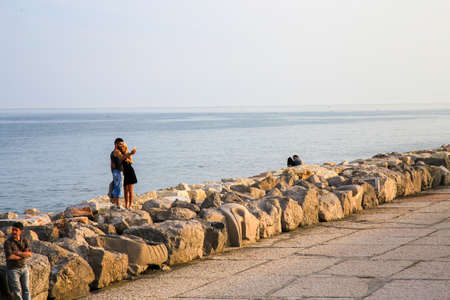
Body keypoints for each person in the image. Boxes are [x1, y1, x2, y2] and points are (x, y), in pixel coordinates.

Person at [3, 222, 32, 300]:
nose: (14, 232)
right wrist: (23, 255)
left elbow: (29, 254)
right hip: (13, 269)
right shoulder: (8, 242)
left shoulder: (24, 240)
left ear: (20, 231)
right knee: (17, 291)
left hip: (24, 267)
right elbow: (10, 257)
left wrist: (18, 253)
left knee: (26, 289)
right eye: (13, 230)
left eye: (16, 230)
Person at [110, 138, 136, 209]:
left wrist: (129, 158)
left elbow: (131, 161)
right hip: (119, 172)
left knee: (126, 189)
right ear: (116, 144)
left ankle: (128, 206)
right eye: (120, 144)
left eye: (123, 145)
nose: (121, 146)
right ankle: (118, 205)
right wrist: (131, 153)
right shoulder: (116, 152)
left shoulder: (124, 153)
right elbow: (121, 158)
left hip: (127, 172)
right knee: (120, 189)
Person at [120, 142, 138, 209]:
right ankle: (126, 205)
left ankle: (130, 205)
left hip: (130, 172)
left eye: (123, 146)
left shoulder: (128, 153)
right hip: (124, 173)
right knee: (125, 190)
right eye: (121, 147)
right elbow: (120, 160)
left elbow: (132, 162)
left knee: (130, 190)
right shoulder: (120, 154)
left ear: (125, 147)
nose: (122, 148)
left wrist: (128, 160)